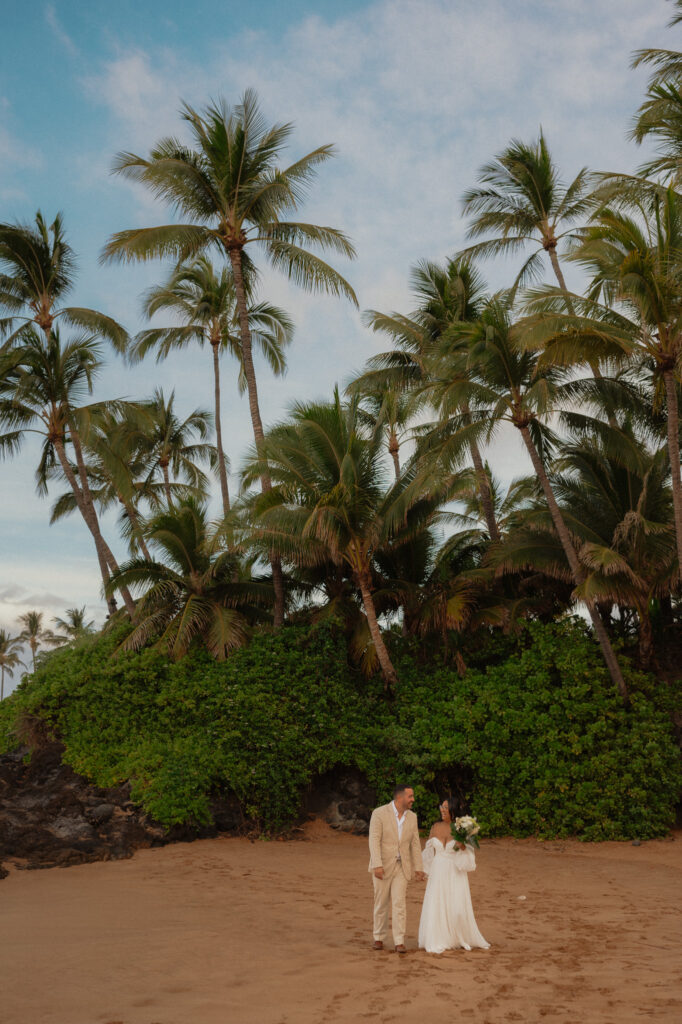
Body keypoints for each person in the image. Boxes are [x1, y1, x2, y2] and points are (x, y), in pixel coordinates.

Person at [418, 796, 490, 954]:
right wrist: (424, 870)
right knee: (437, 903)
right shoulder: (435, 826)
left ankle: (457, 937)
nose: (442, 810)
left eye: (446, 808)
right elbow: (429, 850)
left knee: (456, 906)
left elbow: (470, 859)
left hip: (454, 871)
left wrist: (463, 847)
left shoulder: (462, 829)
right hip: (437, 870)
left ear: (453, 810)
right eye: (441, 807)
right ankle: (439, 937)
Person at [368, 784, 425, 954]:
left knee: (399, 903)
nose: (413, 799)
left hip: (402, 867)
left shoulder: (412, 817)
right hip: (383, 866)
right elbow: (374, 840)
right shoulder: (379, 813)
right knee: (381, 903)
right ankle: (379, 937)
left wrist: (419, 867)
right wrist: (377, 864)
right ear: (399, 798)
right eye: (410, 796)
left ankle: (399, 941)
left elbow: (415, 843)